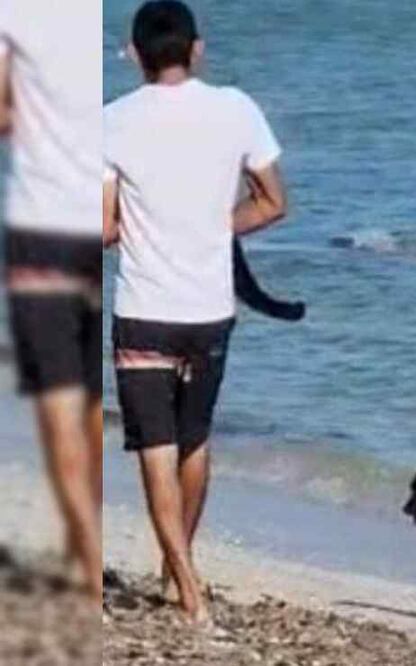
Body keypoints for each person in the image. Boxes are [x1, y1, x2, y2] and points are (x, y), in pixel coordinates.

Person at [103, 0, 288, 623]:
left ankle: (187, 590)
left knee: (155, 448)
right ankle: (175, 573)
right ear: (197, 50)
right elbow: (272, 203)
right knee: (194, 441)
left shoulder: (110, 122)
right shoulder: (237, 108)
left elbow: (104, 227)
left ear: (134, 55)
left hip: (144, 310)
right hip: (210, 310)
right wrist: (212, 226)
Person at [0, 2, 103, 604]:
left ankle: (87, 564)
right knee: (91, 399)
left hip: (41, 230)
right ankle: (78, 542)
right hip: (94, 224)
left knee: (59, 402)